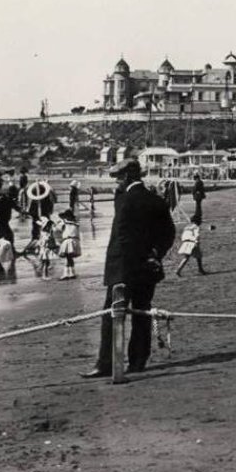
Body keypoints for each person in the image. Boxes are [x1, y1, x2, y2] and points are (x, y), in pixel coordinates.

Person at [81, 158, 175, 378]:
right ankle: (137, 361)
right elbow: (168, 234)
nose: (116, 183)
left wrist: (131, 261)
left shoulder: (123, 199)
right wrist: (154, 254)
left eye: (118, 178)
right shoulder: (156, 200)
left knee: (111, 315)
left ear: (127, 177)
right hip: (147, 269)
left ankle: (106, 364)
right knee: (142, 313)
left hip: (122, 268)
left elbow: (123, 238)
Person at [57, 209, 81, 280]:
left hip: (68, 241)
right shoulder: (75, 223)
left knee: (68, 258)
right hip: (75, 240)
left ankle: (66, 274)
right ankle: (72, 273)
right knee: (70, 258)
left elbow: (57, 230)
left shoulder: (64, 223)